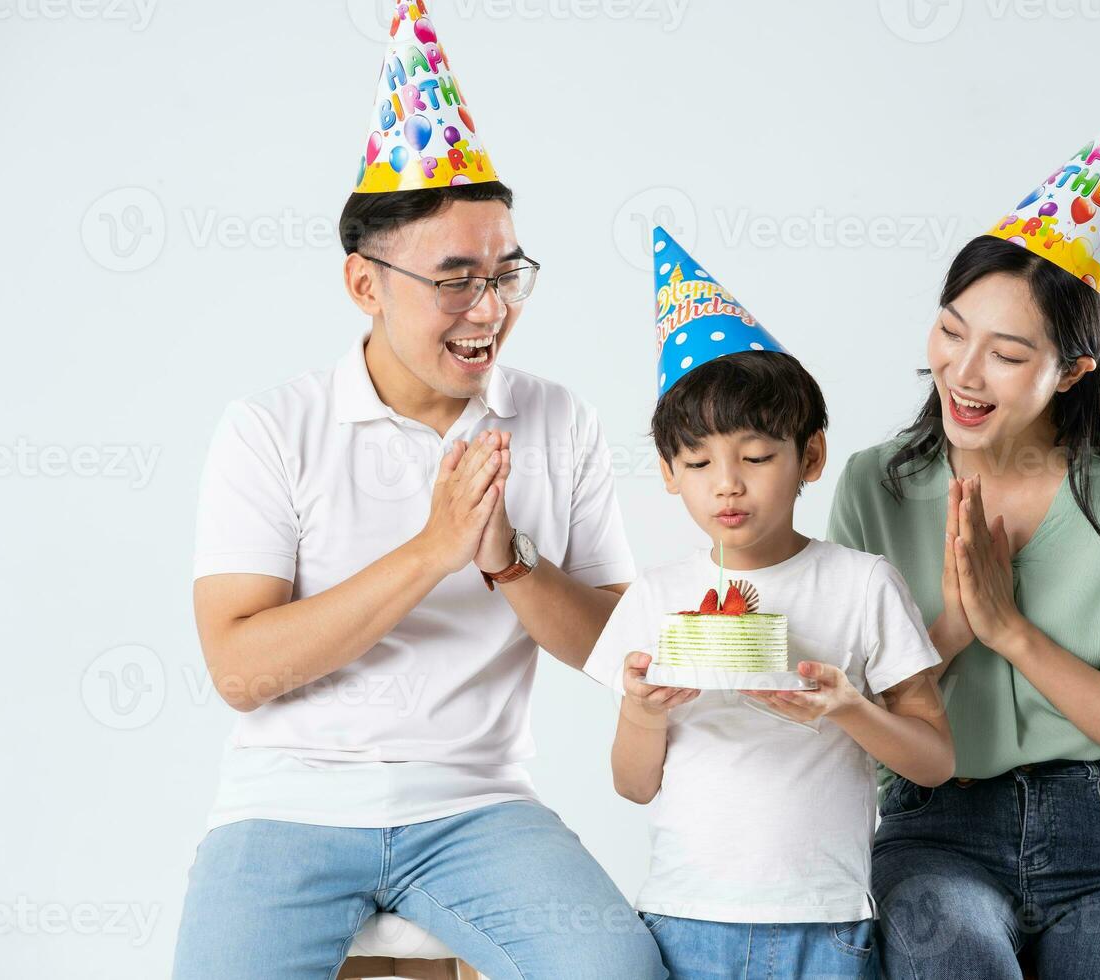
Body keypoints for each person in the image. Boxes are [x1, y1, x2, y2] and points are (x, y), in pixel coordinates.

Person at [171, 5, 664, 977]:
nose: (491, 310)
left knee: (621, 971)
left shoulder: (558, 421)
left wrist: (509, 564)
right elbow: (239, 667)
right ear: (364, 283)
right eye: (455, 280)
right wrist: (432, 550)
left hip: (476, 804)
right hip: (288, 802)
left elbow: (621, 650)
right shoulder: (270, 426)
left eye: (507, 273)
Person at [828, 88, 1100, 978]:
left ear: (1073, 369)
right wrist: (961, 627)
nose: (963, 373)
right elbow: (853, 725)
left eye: (1006, 354)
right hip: (939, 822)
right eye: (952, 331)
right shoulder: (875, 486)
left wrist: (1012, 631)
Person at [581, 228, 954, 979]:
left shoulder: (861, 583)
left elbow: (936, 761)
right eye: (698, 462)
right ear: (666, 472)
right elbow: (631, 784)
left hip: (829, 920)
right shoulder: (658, 595)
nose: (728, 483)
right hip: (685, 916)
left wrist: (847, 707)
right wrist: (644, 710)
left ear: (810, 457)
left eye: (755, 457)